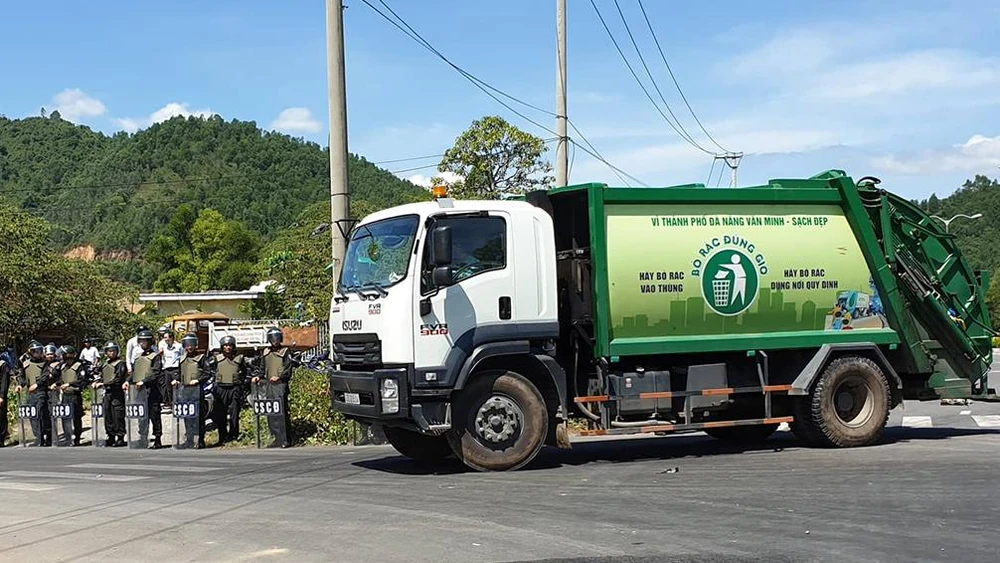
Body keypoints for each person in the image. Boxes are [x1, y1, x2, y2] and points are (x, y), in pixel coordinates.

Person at [252, 327, 296, 448]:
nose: (275, 341)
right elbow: (262, 368)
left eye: (277, 338)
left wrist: (280, 377)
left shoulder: (285, 351)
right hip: (268, 385)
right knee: (271, 413)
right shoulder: (265, 352)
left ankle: (286, 439)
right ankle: (276, 438)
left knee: (282, 413)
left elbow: (288, 369)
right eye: (273, 338)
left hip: (280, 385)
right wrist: (258, 377)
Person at [125, 329, 164, 449]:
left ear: (150, 341)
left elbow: (156, 373)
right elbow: (135, 372)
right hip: (139, 391)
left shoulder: (155, 356)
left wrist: (144, 381)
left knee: (154, 415)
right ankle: (142, 438)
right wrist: (127, 381)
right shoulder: (138, 357)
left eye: (145, 341)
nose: (142, 343)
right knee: (141, 416)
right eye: (140, 341)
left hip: (152, 391)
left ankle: (157, 439)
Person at [174, 332, 214, 448]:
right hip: (185, 391)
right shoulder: (181, 359)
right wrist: (176, 380)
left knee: (199, 416)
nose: (189, 347)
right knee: (187, 416)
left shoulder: (201, 358)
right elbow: (179, 373)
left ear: (195, 345)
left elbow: (207, 373)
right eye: (187, 344)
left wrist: (198, 380)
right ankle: (189, 439)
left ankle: (201, 440)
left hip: (197, 390)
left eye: (191, 344)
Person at [53, 345, 91, 446]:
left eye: (64, 354)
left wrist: (70, 384)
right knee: (65, 417)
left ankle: (77, 438)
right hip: (65, 395)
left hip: (75, 395)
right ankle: (67, 438)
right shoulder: (63, 366)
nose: (62, 356)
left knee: (76, 417)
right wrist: (56, 384)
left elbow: (82, 381)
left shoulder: (79, 366)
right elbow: (61, 379)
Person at [212, 336, 248, 444]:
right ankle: (222, 437)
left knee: (234, 413)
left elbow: (245, 372)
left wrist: (241, 384)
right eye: (226, 345)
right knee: (220, 414)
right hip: (220, 389)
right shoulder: (216, 358)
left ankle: (233, 436)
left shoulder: (239, 358)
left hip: (234, 388)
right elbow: (211, 371)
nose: (228, 348)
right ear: (222, 347)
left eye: (230, 345)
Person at [16, 341, 52, 446]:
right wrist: (20, 385)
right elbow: (23, 377)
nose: (38, 353)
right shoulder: (26, 364)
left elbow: (45, 376)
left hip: (41, 392)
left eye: (40, 351)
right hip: (30, 394)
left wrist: (37, 384)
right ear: (31, 352)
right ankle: (38, 437)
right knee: (32, 415)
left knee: (41, 414)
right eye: (36, 351)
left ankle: (47, 436)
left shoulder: (45, 363)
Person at [95, 342, 127, 447]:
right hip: (107, 393)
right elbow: (97, 373)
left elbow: (118, 379)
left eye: (113, 351)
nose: (111, 353)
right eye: (109, 351)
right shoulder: (105, 364)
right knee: (108, 415)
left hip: (116, 392)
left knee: (117, 415)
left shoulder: (120, 363)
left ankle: (120, 437)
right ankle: (110, 436)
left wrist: (103, 384)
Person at [158, 329, 182, 412]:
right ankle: (172, 404)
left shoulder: (179, 346)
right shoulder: (164, 347)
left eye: (166, 337)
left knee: (176, 387)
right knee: (168, 388)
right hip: (167, 369)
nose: (164, 339)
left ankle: (178, 403)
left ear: (171, 338)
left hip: (175, 368)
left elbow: (182, 357)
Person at [0, 349, 12, 447]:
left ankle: (1, 439)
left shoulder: (3, 365)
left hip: (0, 395)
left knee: (1, 417)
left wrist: (2, 396)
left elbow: (4, 382)